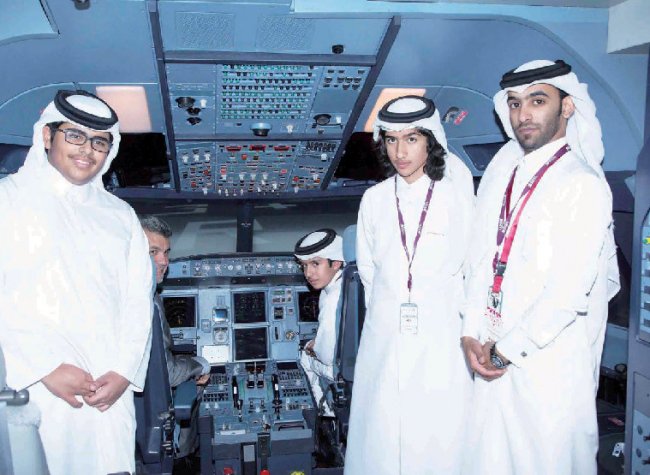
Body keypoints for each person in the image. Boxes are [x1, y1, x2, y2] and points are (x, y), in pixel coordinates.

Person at [461, 60, 620, 474]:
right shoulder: (502, 176)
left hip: (546, 368)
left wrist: (504, 353)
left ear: (567, 107)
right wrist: (470, 332)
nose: (523, 114)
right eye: (514, 103)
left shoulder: (581, 184)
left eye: (537, 101)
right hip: (492, 352)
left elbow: (568, 293)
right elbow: (481, 262)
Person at [0, 90, 153, 474]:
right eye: (75, 136)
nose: (87, 150)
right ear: (47, 135)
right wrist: (44, 367)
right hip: (37, 388)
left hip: (109, 393)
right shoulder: (8, 201)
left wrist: (124, 372)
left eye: (99, 141)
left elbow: (138, 302)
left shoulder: (121, 216)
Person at [345, 95, 474, 474]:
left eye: (412, 139)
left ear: (430, 141)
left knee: (437, 441)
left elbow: (471, 269)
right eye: (391, 140)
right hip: (385, 340)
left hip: (441, 340)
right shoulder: (373, 200)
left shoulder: (456, 198)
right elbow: (369, 271)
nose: (400, 152)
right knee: (382, 438)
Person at [139, 214, 210, 463]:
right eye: (153, 252)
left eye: (166, 252)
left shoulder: (144, 294)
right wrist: (201, 364)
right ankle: (186, 459)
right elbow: (167, 372)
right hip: (150, 421)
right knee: (196, 390)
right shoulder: (146, 302)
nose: (164, 261)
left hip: (140, 417)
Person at [294, 229, 345, 415]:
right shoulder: (348, 284)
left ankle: (326, 414)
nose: (308, 273)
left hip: (343, 372)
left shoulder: (333, 298)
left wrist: (311, 347)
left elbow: (326, 357)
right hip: (361, 364)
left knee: (305, 358)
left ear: (336, 263)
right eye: (304, 265)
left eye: (315, 264)